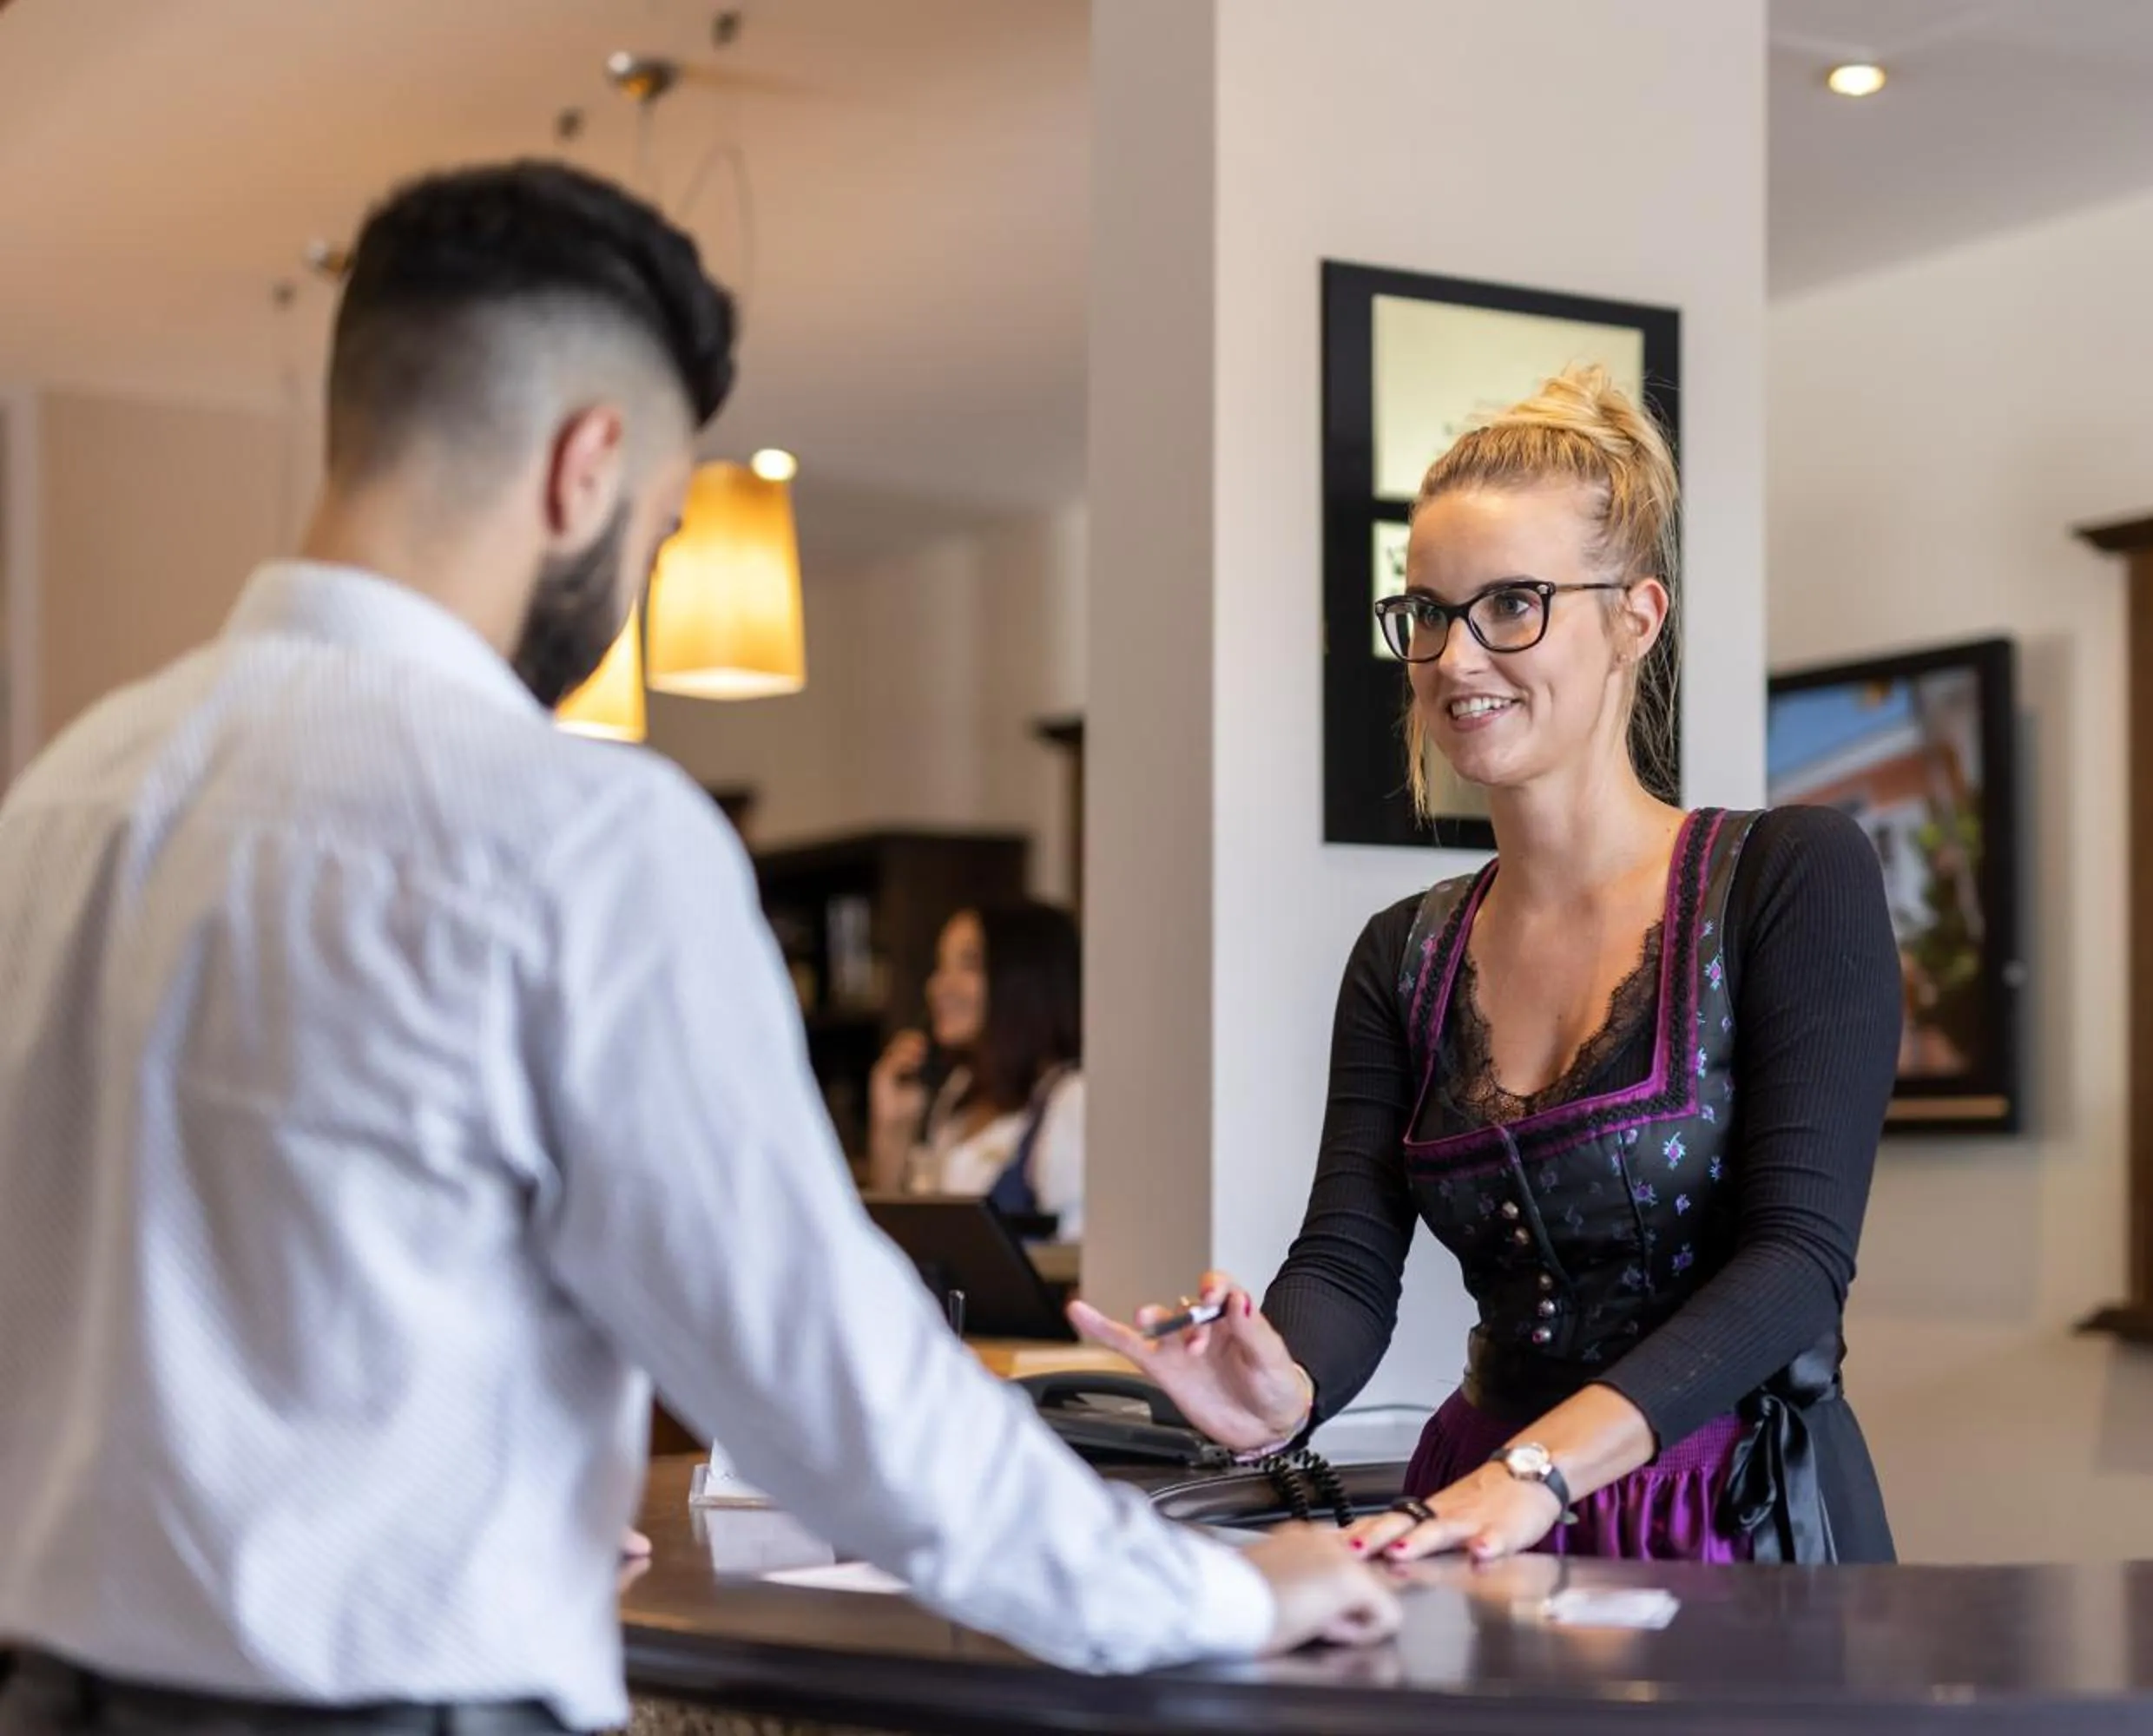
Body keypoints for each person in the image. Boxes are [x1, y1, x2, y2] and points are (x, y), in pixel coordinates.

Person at [0, 160, 1393, 1736]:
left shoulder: (60, 802)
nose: (639, 570)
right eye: (664, 525)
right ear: (587, 467)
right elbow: (831, 1385)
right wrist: (1215, 1594)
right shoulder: (575, 834)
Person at [1072, 365, 1900, 1568]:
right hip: (1482, 1512)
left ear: (1637, 616)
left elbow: (1796, 1269)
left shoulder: (1788, 878)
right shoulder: (1403, 954)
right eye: (1427, 612)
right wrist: (1281, 1388)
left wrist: (1542, 1469)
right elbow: (1348, 1260)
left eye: (1513, 605)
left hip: (1725, 1513)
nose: (1456, 658)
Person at [867, 901, 1087, 1240]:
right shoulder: (958, 1090)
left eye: (969, 965)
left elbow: (1073, 1254)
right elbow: (906, 1245)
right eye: (939, 966)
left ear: (1026, 977)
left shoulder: (1069, 1100)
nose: (938, 986)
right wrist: (893, 1132)